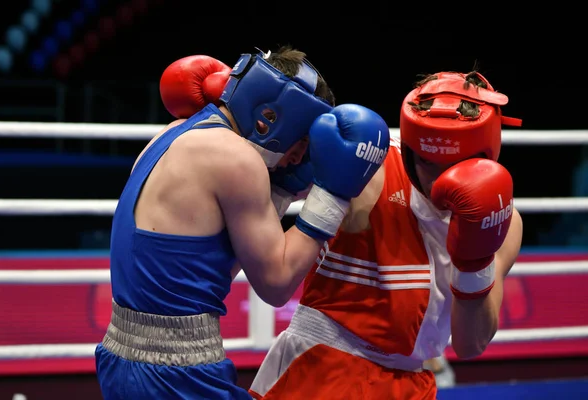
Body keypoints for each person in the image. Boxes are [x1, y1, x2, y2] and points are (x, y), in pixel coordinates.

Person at [94, 46, 391, 400]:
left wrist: (280, 192)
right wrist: (332, 194)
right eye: (303, 140)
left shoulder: (173, 132)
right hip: (177, 373)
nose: (298, 156)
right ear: (278, 115)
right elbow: (276, 285)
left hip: (119, 359)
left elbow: (209, 267)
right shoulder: (237, 159)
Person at [249, 70, 524, 399]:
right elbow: (254, 187)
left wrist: (473, 264)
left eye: (453, 164)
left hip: (413, 382)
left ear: (486, 153)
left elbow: (470, 343)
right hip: (322, 367)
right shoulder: (371, 166)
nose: (438, 181)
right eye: (426, 161)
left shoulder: (501, 222)